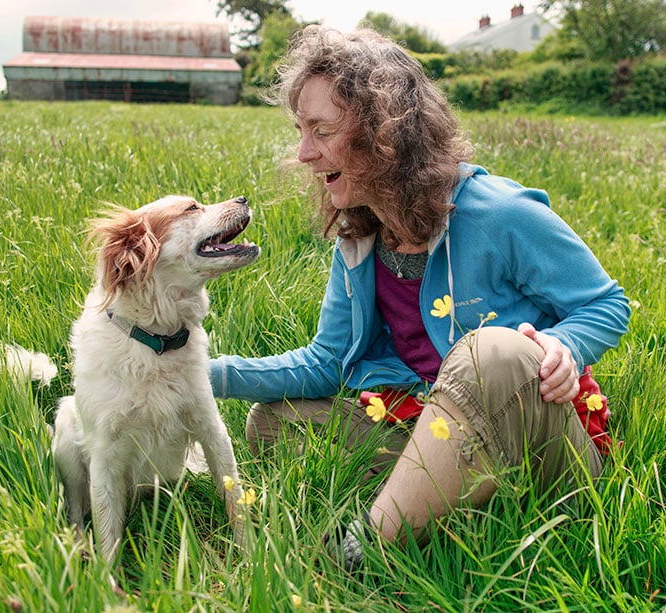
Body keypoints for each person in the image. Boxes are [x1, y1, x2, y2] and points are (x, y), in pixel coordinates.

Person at [209, 25, 630, 571]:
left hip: (543, 446)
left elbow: (606, 303)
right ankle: (450, 504)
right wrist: (200, 370)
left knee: (492, 351)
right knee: (273, 421)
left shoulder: (498, 212)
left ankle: (362, 549)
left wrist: (561, 348)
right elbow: (327, 363)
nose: (304, 153)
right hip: (430, 420)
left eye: (321, 130)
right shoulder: (360, 239)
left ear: (386, 132)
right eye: (300, 130)